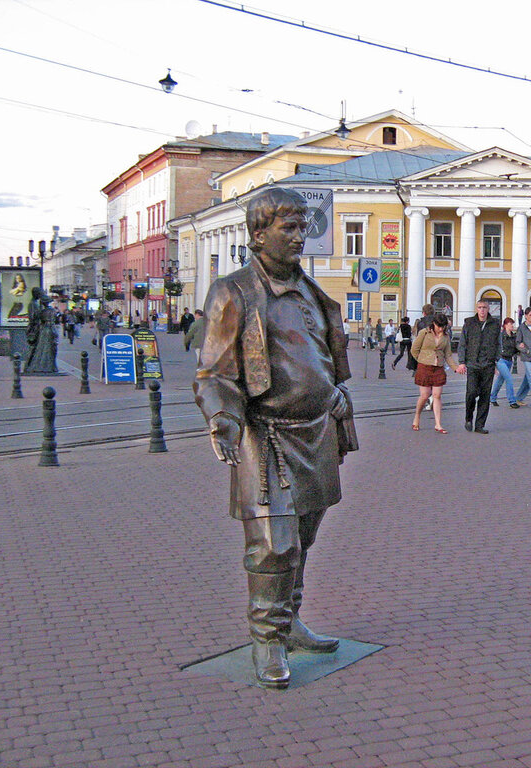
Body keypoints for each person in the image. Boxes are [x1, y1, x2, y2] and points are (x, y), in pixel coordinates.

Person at [194, 187, 355, 689]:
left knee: (303, 536)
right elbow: (214, 373)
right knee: (272, 544)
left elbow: (322, 357)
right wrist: (223, 418)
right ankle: (267, 638)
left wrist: (335, 395)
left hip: (317, 431)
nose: (300, 237)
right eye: (290, 228)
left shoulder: (310, 290)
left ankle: (290, 621)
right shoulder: (234, 291)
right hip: (264, 434)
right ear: (258, 234)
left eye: (303, 227)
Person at [410, 313, 466, 433]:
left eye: (443, 326)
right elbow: (414, 349)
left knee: (437, 395)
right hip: (424, 367)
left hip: (438, 368)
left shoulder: (446, 336)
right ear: (434, 324)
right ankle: (417, 416)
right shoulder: (424, 333)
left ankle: (438, 424)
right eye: (439, 326)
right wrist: (422, 360)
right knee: (425, 396)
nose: (441, 328)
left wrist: (455, 368)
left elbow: (448, 355)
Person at [459, 300, 500, 434]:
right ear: (476, 309)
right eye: (480, 307)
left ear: (489, 309)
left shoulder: (495, 324)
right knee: (471, 392)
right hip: (472, 363)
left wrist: (495, 361)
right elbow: (463, 343)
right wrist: (462, 362)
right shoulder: (469, 323)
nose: (482, 310)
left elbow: (499, 344)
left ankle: (480, 425)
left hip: (488, 364)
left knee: (485, 395)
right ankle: (468, 417)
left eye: (484, 308)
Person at [24, 288, 59, 374]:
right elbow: (33, 318)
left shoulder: (41, 308)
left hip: (43, 329)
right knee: (39, 348)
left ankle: (35, 365)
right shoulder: (34, 304)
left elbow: (37, 317)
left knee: (41, 348)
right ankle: (35, 365)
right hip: (39, 329)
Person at [490, 317, 520, 408]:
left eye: (512, 324)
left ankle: (492, 398)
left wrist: (521, 348)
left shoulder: (513, 336)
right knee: (509, 379)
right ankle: (512, 401)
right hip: (501, 360)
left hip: (509, 360)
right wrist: (494, 362)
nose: (512, 326)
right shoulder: (500, 336)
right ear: (506, 325)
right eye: (511, 324)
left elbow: (516, 348)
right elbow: (494, 347)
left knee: (500, 380)